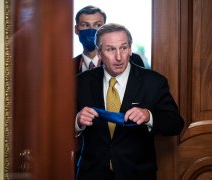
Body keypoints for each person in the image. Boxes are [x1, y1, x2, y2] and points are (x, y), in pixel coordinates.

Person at [75, 23, 184, 180]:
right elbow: (57, 127)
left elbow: (175, 124)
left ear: (130, 49)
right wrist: (77, 121)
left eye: (124, 48)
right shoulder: (80, 83)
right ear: (99, 53)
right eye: (111, 49)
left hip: (137, 174)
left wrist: (149, 116)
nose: (119, 57)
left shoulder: (153, 82)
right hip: (91, 173)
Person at [73, 5, 145, 74]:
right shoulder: (68, 66)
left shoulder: (132, 60)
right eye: (85, 25)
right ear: (76, 29)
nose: (91, 30)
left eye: (98, 25)